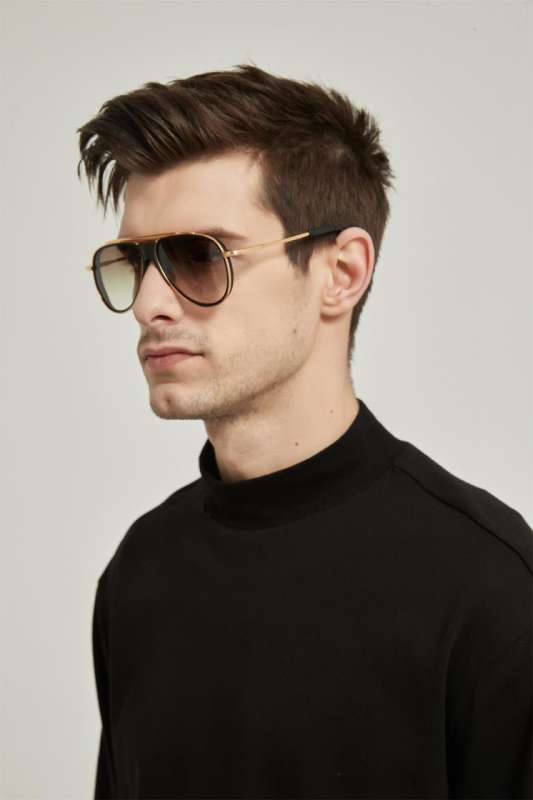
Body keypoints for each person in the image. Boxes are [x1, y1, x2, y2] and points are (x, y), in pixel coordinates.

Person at [77, 63, 532, 799]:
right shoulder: (140, 572)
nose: (149, 304)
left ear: (340, 273)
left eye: (199, 255)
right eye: (135, 261)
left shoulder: (492, 589)